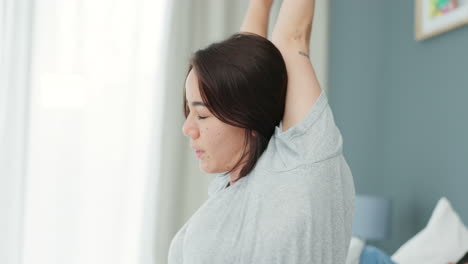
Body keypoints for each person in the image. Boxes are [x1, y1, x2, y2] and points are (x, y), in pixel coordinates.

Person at [168, 0, 355, 263]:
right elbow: (244, 68)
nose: (187, 128)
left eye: (201, 114)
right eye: (189, 112)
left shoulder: (301, 165)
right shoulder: (231, 184)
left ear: (246, 113)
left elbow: (292, 38)